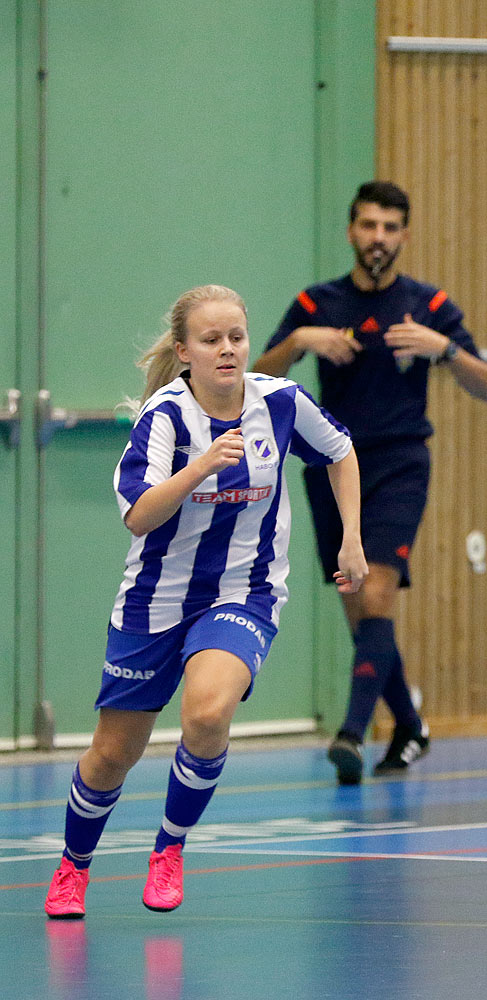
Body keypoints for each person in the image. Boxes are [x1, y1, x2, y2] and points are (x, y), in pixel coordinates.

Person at [43, 284, 367, 919]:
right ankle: (73, 865)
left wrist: (352, 537)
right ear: (185, 351)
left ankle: (169, 848)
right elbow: (138, 516)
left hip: (244, 593)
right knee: (113, 753)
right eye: (212, 340)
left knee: (208, 713)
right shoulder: (164, 418)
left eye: (237, 338)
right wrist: (201, 468)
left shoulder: (279, 402)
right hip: (155, 600)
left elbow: (341, 450)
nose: (227, 351)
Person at [253, 181, 487, 785]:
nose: (378, 238)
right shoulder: (316, 304)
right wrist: (299, 342)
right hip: (331, 470)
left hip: (398, 466)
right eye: (368, 226)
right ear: (351, 231)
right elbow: (257, 376)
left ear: (404, 235)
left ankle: (350, 736)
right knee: (360, 611)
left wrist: (443, 349)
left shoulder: (429, 304)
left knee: (378, 592)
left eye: (390, 228)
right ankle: (410, 727)